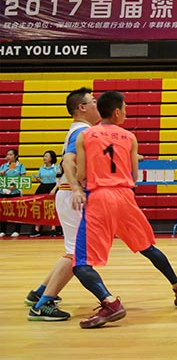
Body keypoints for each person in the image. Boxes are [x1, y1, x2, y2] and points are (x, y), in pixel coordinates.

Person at [71, 91, 177, 328]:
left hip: (100, 198)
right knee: (148, 247)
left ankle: (110, 303)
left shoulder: (85, 136)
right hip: (125, 197)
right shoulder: (130, 137)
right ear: (117, 112)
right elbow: (135, 175)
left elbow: (82, 174)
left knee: (81, 264)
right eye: (125, 109)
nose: (126, 113)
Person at [25, 87, 100, 321]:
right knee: (77, 254)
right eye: (93, 101)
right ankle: (42, 305)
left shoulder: (79, 130)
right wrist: (78, 188)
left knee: (72, 251)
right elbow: (68, 162)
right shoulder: (83, 132)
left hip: (68, 195)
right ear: (82, 107)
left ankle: (39, 293)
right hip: (72, 195)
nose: (97, 104)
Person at [30, 150, 62, 237]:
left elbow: (59, 180)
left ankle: (54, 229)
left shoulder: (57, 167)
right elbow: (42, 179)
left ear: (52, 158)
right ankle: (37, 229)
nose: (44, 158)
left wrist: (54, 189)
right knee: (39, 208)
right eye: (44, 156)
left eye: (46, 156)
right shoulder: (41, 168)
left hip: (53, 187)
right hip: (43, 187)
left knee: (53, 208)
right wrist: (39, 179)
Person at [0, 148, 26, 237]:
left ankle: (17, 230)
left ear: (16, 156)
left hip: (15, 191)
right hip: (4, 191)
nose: (8, 156)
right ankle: (2, 230)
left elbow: (23, 178)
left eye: (10, 154)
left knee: (17, 211)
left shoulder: (20, 166)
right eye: (7, 155)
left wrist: (14, 185)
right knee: (3, 211)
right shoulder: (3, 166)